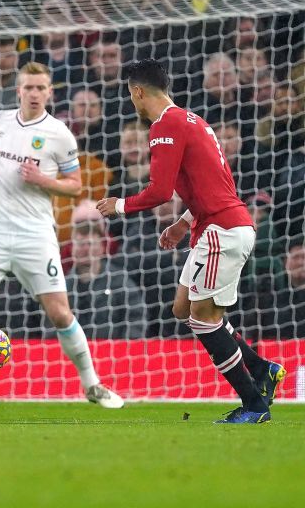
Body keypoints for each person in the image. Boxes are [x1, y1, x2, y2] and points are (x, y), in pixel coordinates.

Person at [96, 59, 285, 423]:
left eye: (130, 94)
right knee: (183, 309)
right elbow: (215, 183)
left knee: (203, 319)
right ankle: (262, 369)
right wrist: (184, 223)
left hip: (222, 231)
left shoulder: (164, 125)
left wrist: (118, 205)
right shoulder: (194, 121)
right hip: (217, 226)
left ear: (137, 92)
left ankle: (254, 404)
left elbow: (159, 191)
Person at [0, 62, 124, 409]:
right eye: (28, 87)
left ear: (49, 92)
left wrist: (43, 180)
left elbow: (76, 187)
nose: (33, 93)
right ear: (18, 90)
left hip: (36, 234)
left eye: (40, 88)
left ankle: (93, 385)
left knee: (60, 313)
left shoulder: (60, 134)